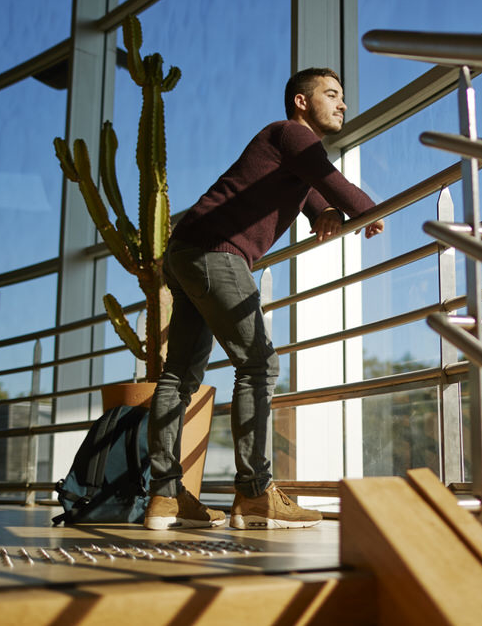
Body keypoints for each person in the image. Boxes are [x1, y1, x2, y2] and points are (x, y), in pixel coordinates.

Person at [143, 68, 384, 531]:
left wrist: (324, 211)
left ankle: (165, 497)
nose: (342, 104)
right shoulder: (291, 133)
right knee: (257, 365)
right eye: (331, 95)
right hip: (217, 252)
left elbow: (311, 189)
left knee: (179, 376)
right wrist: (369, 211)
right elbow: (325, 177)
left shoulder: (287, 146)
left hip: (186, 250)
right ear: (300, 101)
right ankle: (255, 493)